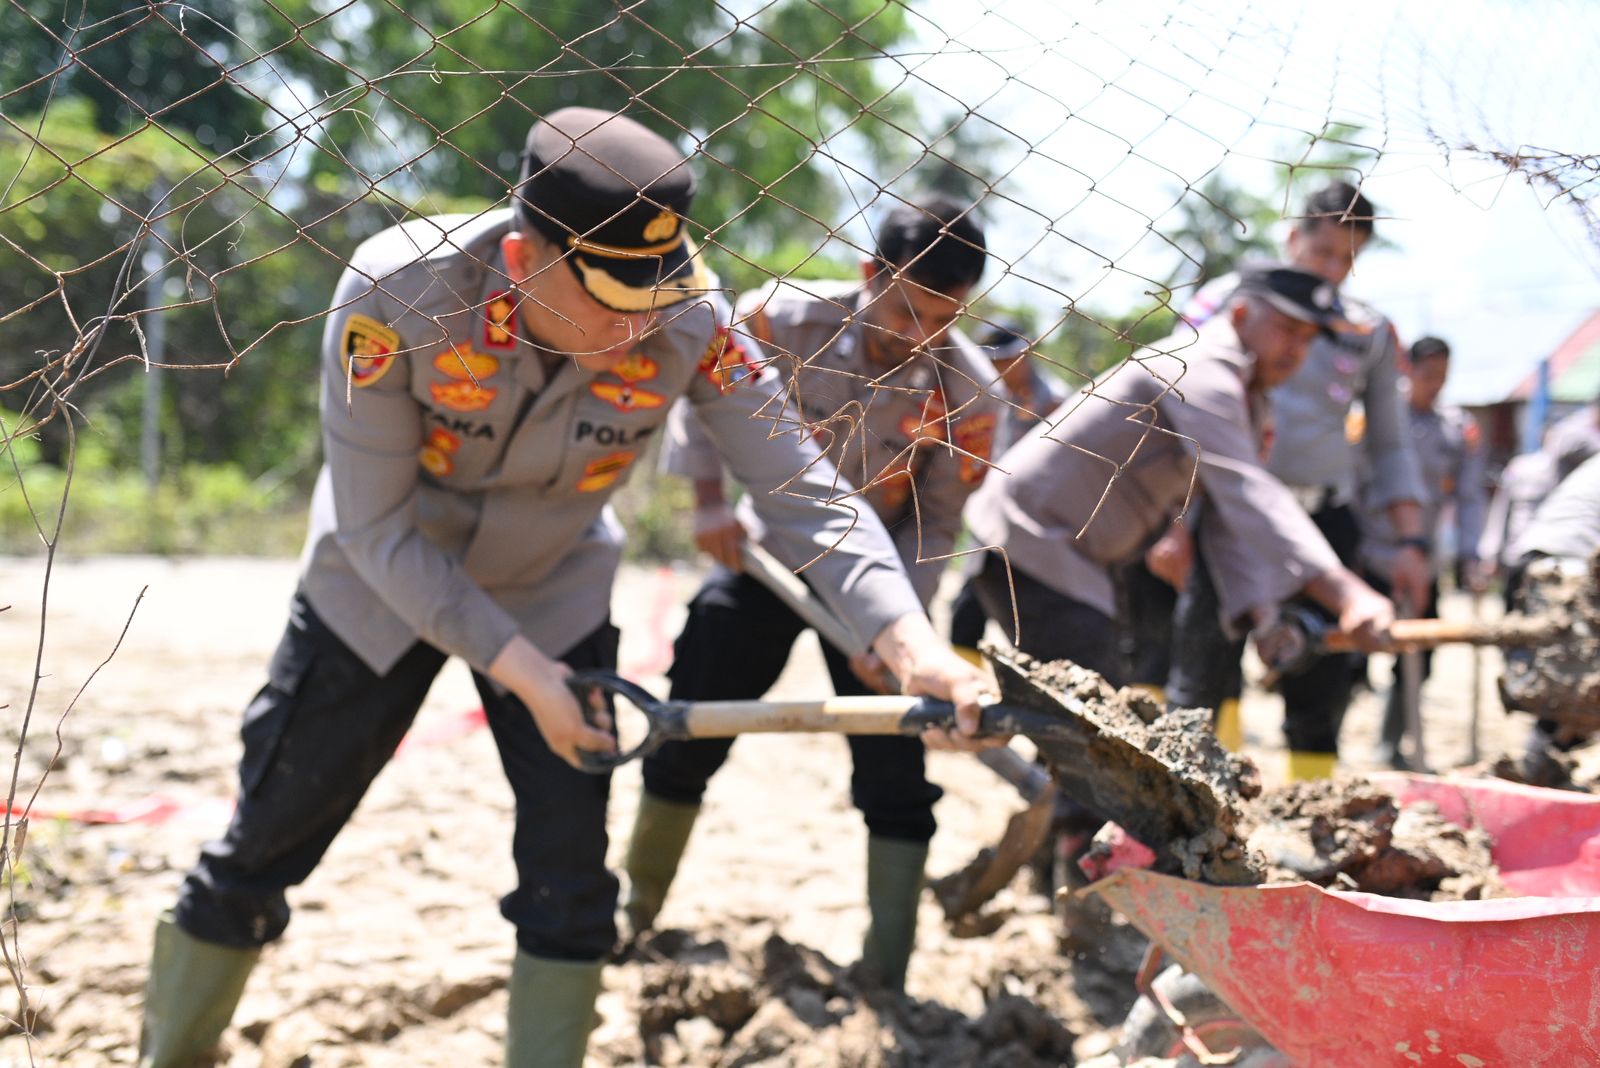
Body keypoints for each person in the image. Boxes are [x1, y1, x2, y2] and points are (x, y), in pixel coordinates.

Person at [136, 110, 994, 1068]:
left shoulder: (693, 319)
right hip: (378, 591)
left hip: (553, 589)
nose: (639, 329)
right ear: (523, 258)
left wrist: (912, 644)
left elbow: (804, 491)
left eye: (655, 298)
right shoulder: (397, 292)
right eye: (611, 302)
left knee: (571, 881)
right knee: (267, 841)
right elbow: (375, 529)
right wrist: (525, 675)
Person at [623, 195, 1001, 993]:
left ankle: (887, 969)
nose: (917, 335)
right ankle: (636, 914)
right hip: (765, 558)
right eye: (905, 309)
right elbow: (703, 393)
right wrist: (709, 502)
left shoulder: (970, 392)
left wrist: (897, 631)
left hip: (878, 589)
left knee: (897, 773)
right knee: (688, 726)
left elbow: (936, 522)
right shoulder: (778, 320)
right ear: (871, 273)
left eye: (942, 319)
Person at [963, 261, 1394, 708]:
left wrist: (1265, 619)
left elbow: (1226, 519)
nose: (1296, 350)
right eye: (1287, 329)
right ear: (1240, 315)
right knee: (1092, 718)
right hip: (1033, 539)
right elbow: (1247, 492)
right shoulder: (1199, 366)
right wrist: (1346, 593)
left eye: (1307, 339)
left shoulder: (1248, 399)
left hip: (1068, 554)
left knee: (1087, 716)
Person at [1165, 182, 1428, 779]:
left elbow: (1391, 444)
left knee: (1321, 681)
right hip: (1229, 517)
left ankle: (1310, 805)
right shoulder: (1228, 302)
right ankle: (1196, 798)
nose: (1333, 270)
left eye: (1347, 259)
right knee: (1206, 669)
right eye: (1323, 252)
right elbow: (1178, 414)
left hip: (1322, 518)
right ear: (1292, 238)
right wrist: (1175, 522)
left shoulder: (1369, 331)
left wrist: (1411, 541)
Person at [1356, 336, 1488, 767]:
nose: (1436, 385)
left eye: (1443, 377)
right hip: (1370, 554)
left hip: (1421, 560)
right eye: (1428, 375)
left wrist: (1470, 553)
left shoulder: (1456, 429)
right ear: (1407, 370)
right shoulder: (1372, 418)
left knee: (1420, 655)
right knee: (1350, 653)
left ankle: (1393, 745)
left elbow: (1469, 496)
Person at [947, 318, 1069, 662]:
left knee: (1030, 612)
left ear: (1026, 354)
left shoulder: (1056, 402)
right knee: (967, 608)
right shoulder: (982, 396)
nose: (999, 369)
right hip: (989, 515)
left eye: (1005, 360)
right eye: (993, 362)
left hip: (1037, 521)